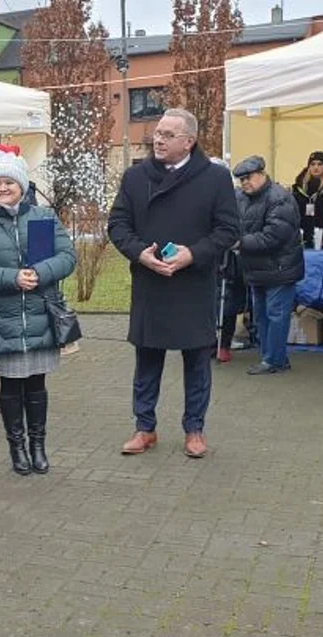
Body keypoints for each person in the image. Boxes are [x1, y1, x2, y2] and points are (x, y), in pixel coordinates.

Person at [108, 108, 240, 459]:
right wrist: (140, 254)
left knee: (197, 361)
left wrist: (193, 254)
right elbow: (118, 225)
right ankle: (144, 427)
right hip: (151, 283)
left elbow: (229, 230)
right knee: (147, 359)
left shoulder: (214, 178)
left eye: (168, 135)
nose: (158, 140)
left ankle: (194, 430)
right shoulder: (136, 177)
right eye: (158, 133)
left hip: (193, 284)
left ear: (189, 142)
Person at [0, 154, 76, 474]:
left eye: (8, 182)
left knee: (36, 384)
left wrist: (39, 272)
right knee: (11, 386)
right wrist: (11, 279)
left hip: (40, 316)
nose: (1, 188)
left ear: (22, 187)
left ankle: (38, 446)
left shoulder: (42, 218)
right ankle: (17, 448)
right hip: (3, 319)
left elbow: (67, 257)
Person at [232, 156, 303, 375]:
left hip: (280, 268)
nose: (245, 183)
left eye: (248, 178)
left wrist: (239, 242)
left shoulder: (280, 198)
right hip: (257, 269)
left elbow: (274, 236)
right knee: (262, 315)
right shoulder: (242, 198)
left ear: (262, 174)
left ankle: (274, 360)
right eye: (241, 179)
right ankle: (272, 357)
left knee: (276, 315)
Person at [291, 151, 323, 248]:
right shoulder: (299, 187)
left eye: (320, 164)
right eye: (313, 164)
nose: (316, 167)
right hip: (302, 235)